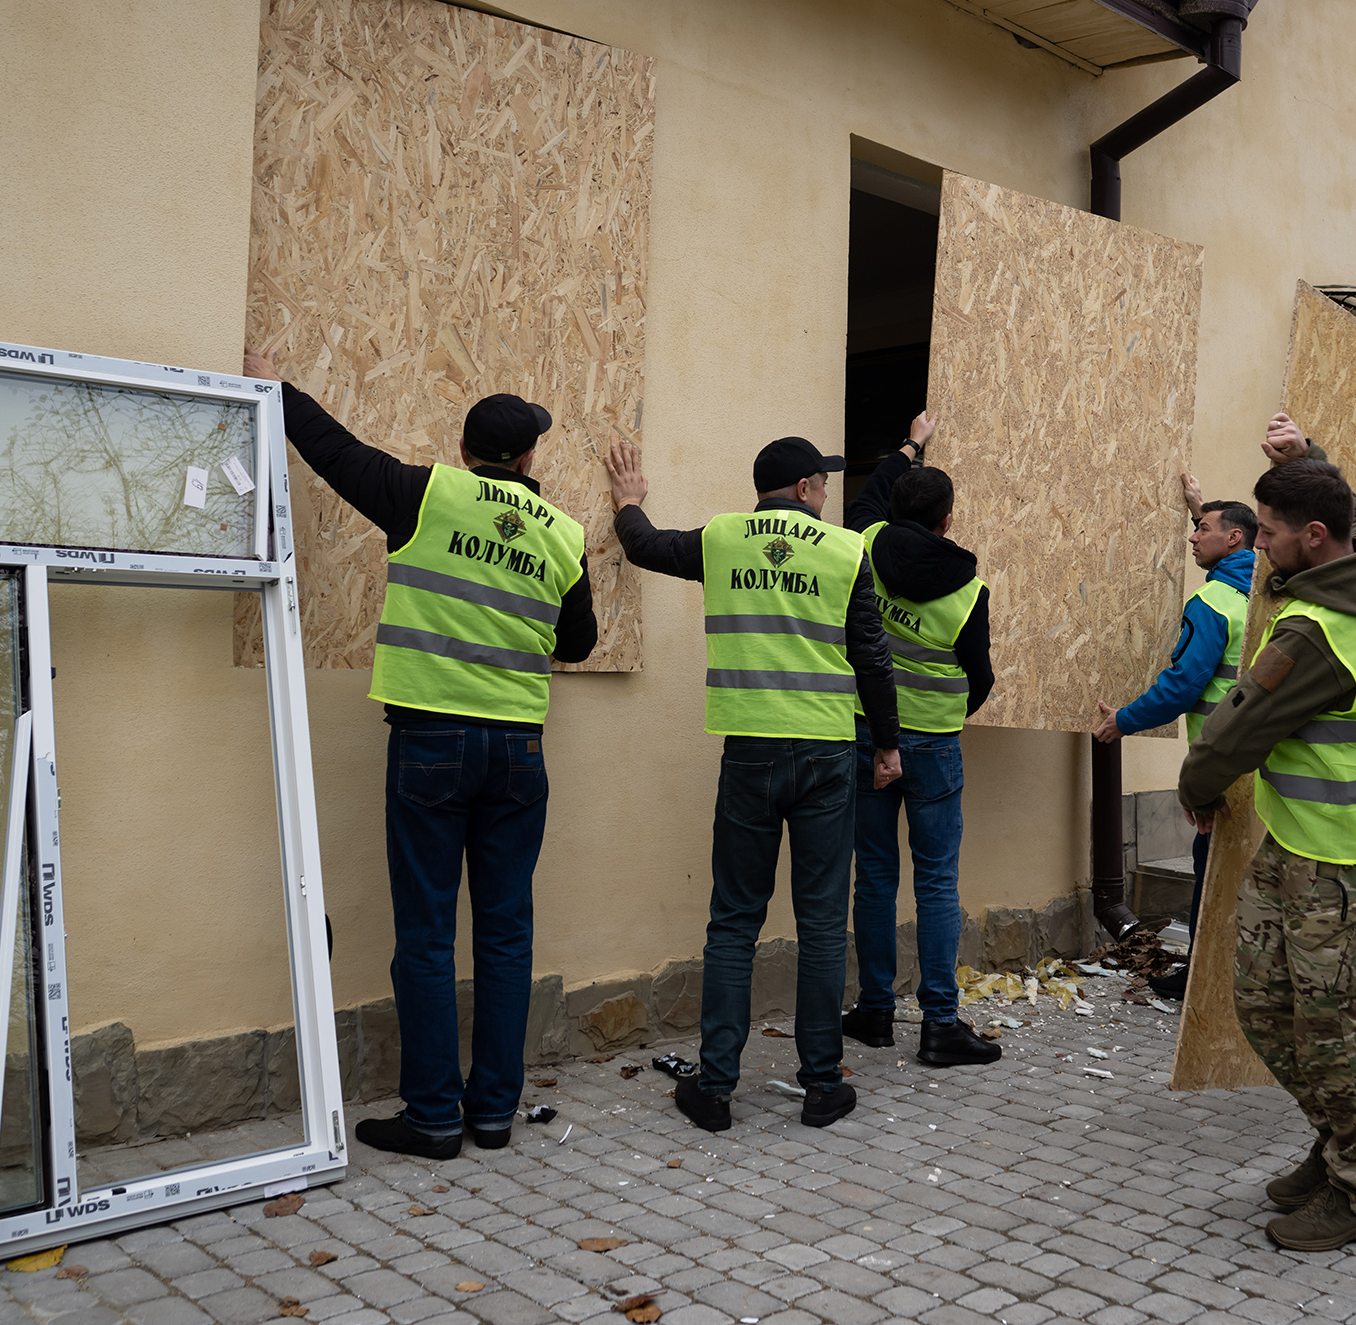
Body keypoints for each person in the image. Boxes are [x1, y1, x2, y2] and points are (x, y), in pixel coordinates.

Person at [244, 348, 598, 1161]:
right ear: (529, 457)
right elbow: (577, 643)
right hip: (517, 749)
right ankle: (494, 1115)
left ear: (467, 449)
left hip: (432, 742)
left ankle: (435, 1116)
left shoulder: (423, 494)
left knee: (429, 932)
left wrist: (276, 386)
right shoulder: (564, 534)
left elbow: (334, 452)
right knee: (507, 933)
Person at [606, 435, 900, 1132]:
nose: (827, 495)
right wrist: (886, 746)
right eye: (822, 484)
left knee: (735, 920)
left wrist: (627, 504)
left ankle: (714, 1089)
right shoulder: (845, 551)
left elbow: (648, 547)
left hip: (751, 754)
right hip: (827, 753)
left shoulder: (724, 539)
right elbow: (872, 657)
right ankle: (823, 1084)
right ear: (803, 489)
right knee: (824, 922)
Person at [1178, 413, 1356, 1252]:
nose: (1261, 548)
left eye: (1271, 534)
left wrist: (1195, 786)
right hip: (1304, 844)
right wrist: (1309, 459)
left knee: (1332, 1027)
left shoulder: (1317, 632)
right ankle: (1334, 1139)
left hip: (1340, 858)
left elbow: (1237, 729)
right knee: (1261, 1003)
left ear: (1314, 539)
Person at [838, 412, 999, 1067]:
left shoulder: (865, 544)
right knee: (936, 881)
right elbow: (980, 678)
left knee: (874, 875)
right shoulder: (968, 589)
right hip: (932, 748)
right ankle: (939, 1026)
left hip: (866, 736)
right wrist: (946, 716)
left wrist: (910, 444)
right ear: (948, 521)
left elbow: (874, 494)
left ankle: (875, 1012)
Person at [1093, 476, 1258, 1001]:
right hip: (1271, 761)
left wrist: (1123, 719)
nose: (1192, 538)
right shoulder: (1271, 590)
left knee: (1210, 870)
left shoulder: (1212, 602)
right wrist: (1199, 508)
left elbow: (1184, 685)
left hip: (1223, 762)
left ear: (1233, 539)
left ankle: (1201, 978)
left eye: (1202, 530)